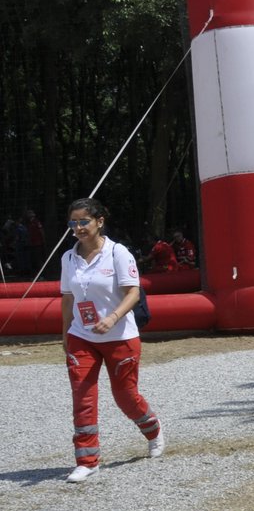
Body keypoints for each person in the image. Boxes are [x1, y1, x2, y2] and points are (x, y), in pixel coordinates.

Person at [59, 197, 164, 482]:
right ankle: (87, 460)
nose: (78, 227)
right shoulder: (68, 258)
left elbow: (133, 292)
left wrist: (113, 317)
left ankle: (152, 430)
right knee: (82, 396)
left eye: (84, 221)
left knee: (125, 397)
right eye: (73, 222)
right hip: (82, 336)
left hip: (120, 336)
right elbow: (67, 299)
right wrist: (66, 334)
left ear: (99, 221)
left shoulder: (118, 253)